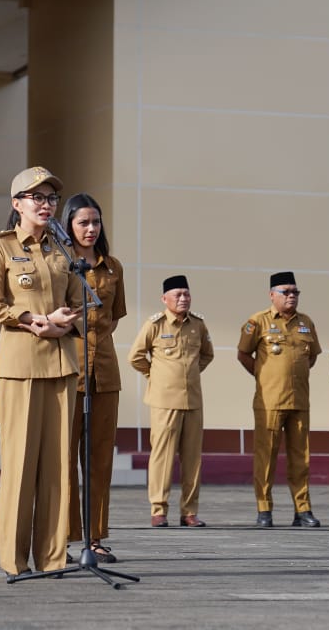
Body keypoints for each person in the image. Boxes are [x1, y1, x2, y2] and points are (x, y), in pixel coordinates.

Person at [0, 166, 82, 577]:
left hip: (61, 368)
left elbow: (81, 302)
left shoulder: (63, 249)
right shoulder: (1, 248)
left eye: (51, 198)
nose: (45, 204)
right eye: (36, 197)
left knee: (58, 468)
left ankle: (53, 558)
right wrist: (33, 319)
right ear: (17, 204)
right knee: (20, 468)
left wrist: (62, 322)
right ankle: (15, 560)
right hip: (21, 368)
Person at [61, 194, 127, 563]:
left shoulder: (113, 267)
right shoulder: (60, 264)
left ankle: (95, 538)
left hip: (105, 373)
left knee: (100, 460)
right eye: (83, 222)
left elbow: (114, 317)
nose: (90, 229)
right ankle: (64, 539)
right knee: (64, 459)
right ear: (69, 224)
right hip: (69, 371)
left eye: (96, 222)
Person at [236, 271, 323, 528]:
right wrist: (264, 376)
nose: (292, 296)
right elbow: (243, 354)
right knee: (266, 457)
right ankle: (264, 509)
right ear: (272, 294)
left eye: (295, 292)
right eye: (286, 292)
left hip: (299, 401)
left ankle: (303, 509)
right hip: (269, 402)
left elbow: (312, 356)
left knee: (301, 458)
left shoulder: (305, 322)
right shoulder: (258, 322)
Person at [129, 275, 214, 528]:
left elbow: (207, 355)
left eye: (186, 294)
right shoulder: (155, 324)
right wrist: (156, 375)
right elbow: (136, 357)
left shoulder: (198, 324)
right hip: (164, 401)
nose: (183, 298)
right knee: (162, 458)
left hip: (193, 401)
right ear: (164, 299)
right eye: (177, 294)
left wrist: (188, 374)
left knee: (192, 459)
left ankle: (189, 511)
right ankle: (159, 509)